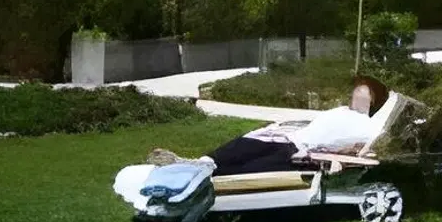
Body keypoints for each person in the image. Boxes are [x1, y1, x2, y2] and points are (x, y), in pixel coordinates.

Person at [156, 75, 391, 176]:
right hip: (287, 139)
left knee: (248, 168)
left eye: (363, 93)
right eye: (356, 92)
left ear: (372, 101)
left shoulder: (371, 126)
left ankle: (201, 175)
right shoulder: (341, 110)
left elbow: (366, 149)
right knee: (242, 145)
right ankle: (194, 164)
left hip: (301, 154)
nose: (356, 96)